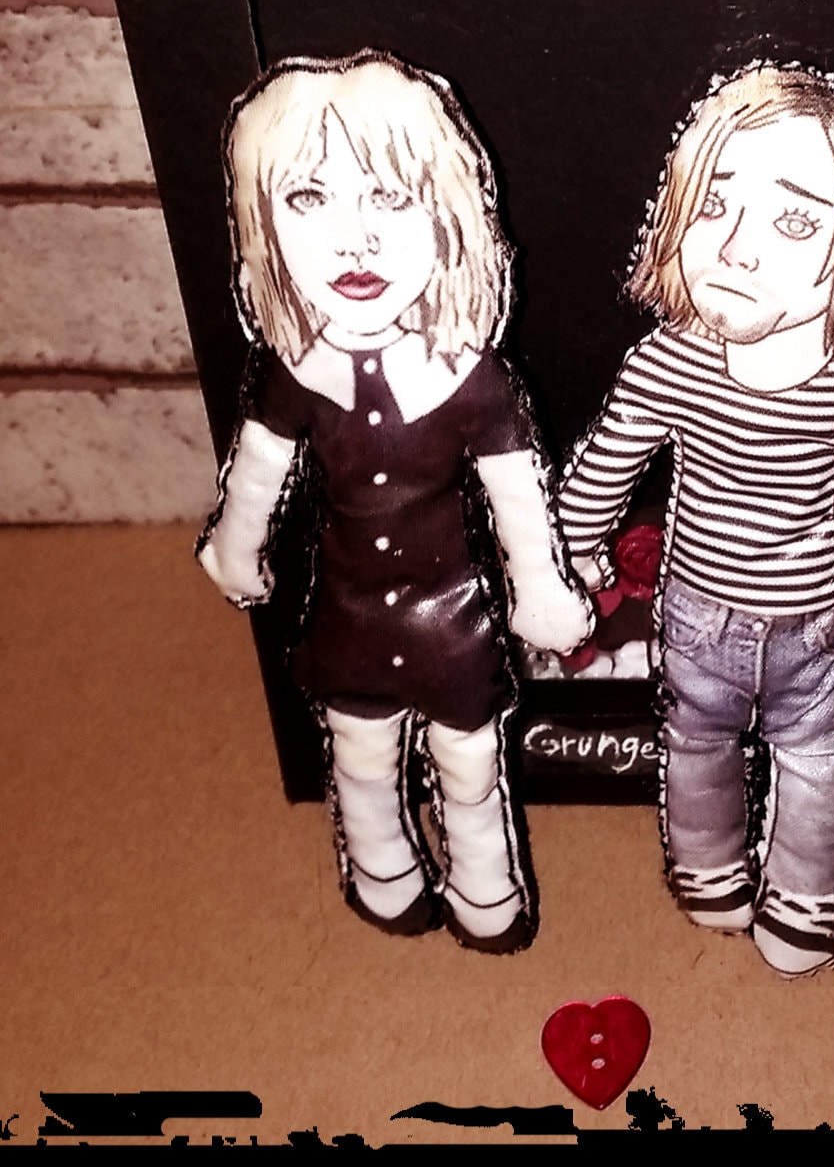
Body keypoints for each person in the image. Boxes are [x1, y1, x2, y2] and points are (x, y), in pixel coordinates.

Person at [559, 64, 834, 976]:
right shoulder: (665, 362)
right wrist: (570, 552)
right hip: (693, 611)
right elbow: (609, 460)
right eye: (712, 205)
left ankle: (807, 891)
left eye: (794, 221)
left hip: (806, 623)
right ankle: (706, 866)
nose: (736, 248)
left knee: (815, 751)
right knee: (692, 739)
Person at [197, 51, 591, 954]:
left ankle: (485, 887)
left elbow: (516, 495)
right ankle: (382, 873)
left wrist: (540, 588)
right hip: (346, 614)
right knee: (361, 755)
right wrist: (235, 547)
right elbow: (257, 468)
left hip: (455, 619)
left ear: (446, 216)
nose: (354, 241)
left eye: (388, 198)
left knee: (469, 760)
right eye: (308, 198)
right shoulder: (293, 373)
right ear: (261, 223)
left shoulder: (472, 380)